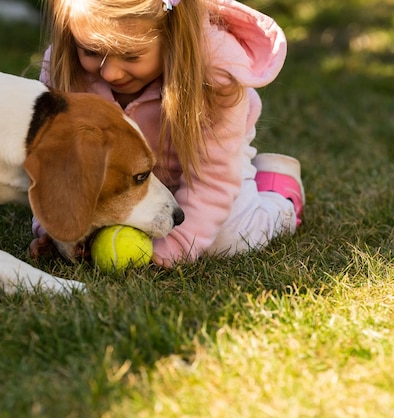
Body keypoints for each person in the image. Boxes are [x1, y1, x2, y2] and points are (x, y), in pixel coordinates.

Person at [29, 0, 304, 267]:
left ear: (171, 35)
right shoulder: (63, 66)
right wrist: (55, 226)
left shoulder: (216, 74)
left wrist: (178, 244)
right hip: (135, 174)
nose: (111, 73)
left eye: (130, 55)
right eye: (91, 51)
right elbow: (55, 160)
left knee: (227, 240)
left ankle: (278, 194)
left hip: (201, 162)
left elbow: (212, 177)